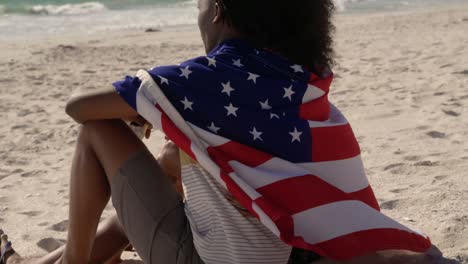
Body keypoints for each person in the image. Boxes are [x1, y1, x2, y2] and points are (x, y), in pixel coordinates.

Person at [1, 0, 445, 263]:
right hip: (290, 253)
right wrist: (162, 127)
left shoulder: (206, 80)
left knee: (97, 131)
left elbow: (78, 107)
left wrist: (140, 113)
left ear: (219, 11)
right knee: (162, 175)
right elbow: (176, 166)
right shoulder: (296, 83)